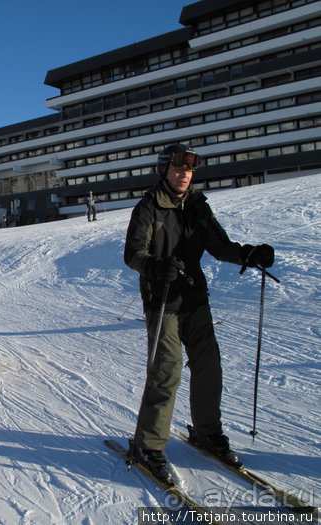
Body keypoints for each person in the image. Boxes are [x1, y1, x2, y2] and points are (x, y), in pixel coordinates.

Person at [123, 143, 275, 484]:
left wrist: (249, 254)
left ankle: (208, 431)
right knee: (167, 369)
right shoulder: (148, 207)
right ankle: (149, 444)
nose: (184, 175)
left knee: (209, 364)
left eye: (189, 170)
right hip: (162, 298)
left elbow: (219, 245)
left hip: (194, 298)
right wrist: (156, 266)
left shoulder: (197, 205)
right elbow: (133, 254)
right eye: (178, 169)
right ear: (165, 170)